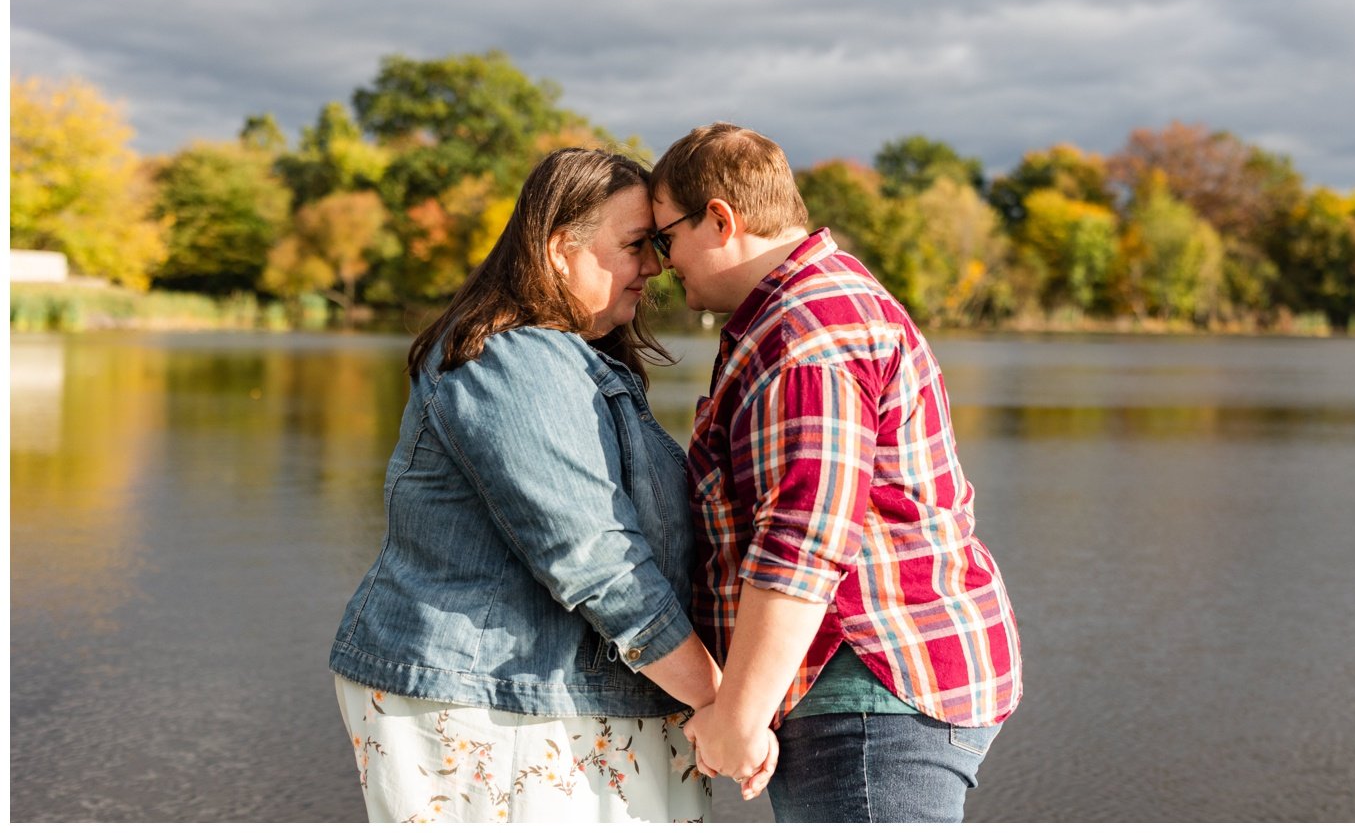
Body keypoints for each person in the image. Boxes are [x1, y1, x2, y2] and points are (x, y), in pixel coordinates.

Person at [328, 147, 775, 823]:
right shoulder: (510, 357)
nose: (653, 265)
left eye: (657, 244)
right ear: (561, 247)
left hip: (557, 694)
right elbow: (596, 557)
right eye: (634, 245)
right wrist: (722, 702)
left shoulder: (569, 356)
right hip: (488, 697)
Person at [646, 123, 1022, 823]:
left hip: (869, 693)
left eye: (665, 237)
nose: (662, 262)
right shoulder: (809, 306)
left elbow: (804, 538)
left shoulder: (808, 332)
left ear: (721, 219)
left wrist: (739, 715)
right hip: (871, 690)